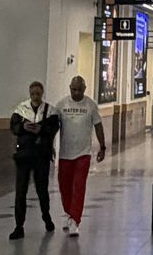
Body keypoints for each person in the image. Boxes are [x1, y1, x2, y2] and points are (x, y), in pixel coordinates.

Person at [54, 75, 106, 237]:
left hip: (83, 153)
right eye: (73, 89)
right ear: (70, 88)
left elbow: (98, 126)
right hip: (65, 154)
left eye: (79, 90)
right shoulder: (61, 105)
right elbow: (53, 128)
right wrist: (50, 146)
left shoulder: (91, 105)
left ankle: (76, 220)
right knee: (65, 186)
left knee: (79, 186)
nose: (76, 93)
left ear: (84, 89)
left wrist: (102, 147)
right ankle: (69, 213)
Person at [8, 80, 59, 239]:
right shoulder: (21, 109)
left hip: (41, 156)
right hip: (24, 156)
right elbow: (13, 127)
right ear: (29, 94)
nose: (35, 97)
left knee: (42, 189)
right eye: (32, 94)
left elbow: (54, 127)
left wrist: (41, 129)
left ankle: (47, 217)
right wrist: (23, 127)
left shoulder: (50, 110)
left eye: (38, 94)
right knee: (20, 191)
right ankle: (19, 225)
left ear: (42, 93)